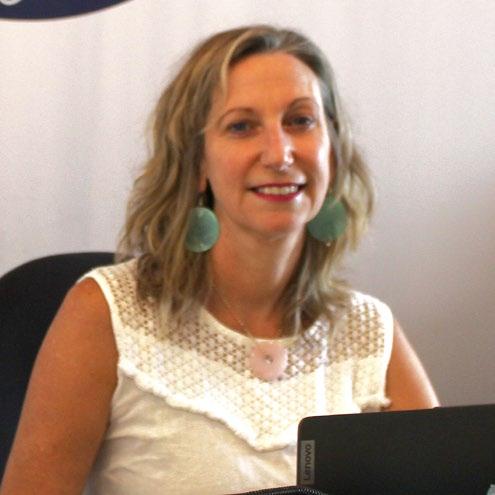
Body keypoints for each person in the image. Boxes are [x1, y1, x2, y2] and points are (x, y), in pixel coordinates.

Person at [0, 25, 439, 495]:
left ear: (333, 149)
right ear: (197, 163)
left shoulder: (370, 331)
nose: (280, 153)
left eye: (300, 120)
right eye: (242, 126)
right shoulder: (106, 312)